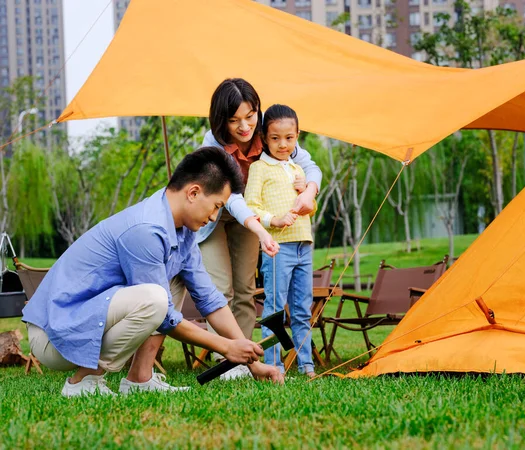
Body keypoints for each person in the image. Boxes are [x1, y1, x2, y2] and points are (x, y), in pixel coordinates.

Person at [21, 147, 284, 397]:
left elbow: (210, 300)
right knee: (155, 300)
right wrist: (226, 347)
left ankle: (140, 379)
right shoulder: (146, 229)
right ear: (193, 192)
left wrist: (251, 361)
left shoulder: (182, 232)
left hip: (85, 321)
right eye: (216, 206)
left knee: (170, 283)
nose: (215, 217)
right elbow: (165, 316)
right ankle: (84, 382)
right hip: (54, 335)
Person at [198, 79, 322, 377]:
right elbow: (233, 198)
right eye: (234, 120)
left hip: (252, 219)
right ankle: (224, 357)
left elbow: (311, 166)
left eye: (250, 116)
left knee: (244, 288)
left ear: (258, 112)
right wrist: (263, 228)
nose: (244, 126)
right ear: (220, 119)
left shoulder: (270, 135)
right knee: (221, 288)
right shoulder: (212, 143)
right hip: (216, 216)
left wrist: (309, 191)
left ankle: (240, 359)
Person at [244, 104, 316, 377]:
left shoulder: (298, 169)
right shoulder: (260, 168)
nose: (282, 144)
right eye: (275, 138)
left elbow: (310, 208)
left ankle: (306, 364)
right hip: (278, 249)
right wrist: (273, 220)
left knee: (301, 309)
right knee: (275, 310)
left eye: (289, 138)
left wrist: (306, 193)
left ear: (297, 135)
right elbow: (251, 205)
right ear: (264, 137)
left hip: (303, 245)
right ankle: (273, 366)